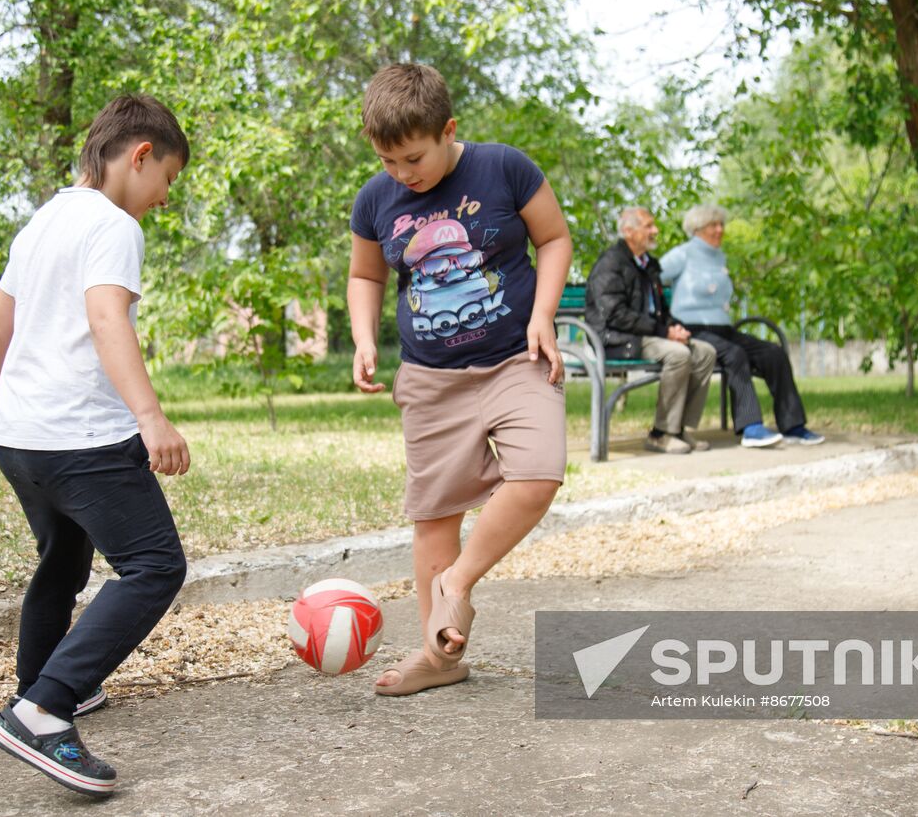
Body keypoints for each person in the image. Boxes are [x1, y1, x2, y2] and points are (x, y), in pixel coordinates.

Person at [0, 95, 192, 797]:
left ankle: (36, 682)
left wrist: (25, 404)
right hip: (82, 439)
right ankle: (43, 710)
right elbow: (107, 317)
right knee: (155, 564)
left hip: (18, 436)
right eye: (167, 178)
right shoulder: (113, 224)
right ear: (139, 155)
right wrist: (150, 416)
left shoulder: (44, 219)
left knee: (63, 559)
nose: (164, 197)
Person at [348, 63, 571, 696]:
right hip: (430, 377)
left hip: (515, 359)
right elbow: (367, 276)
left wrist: (544, 317)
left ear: (448, 130)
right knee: (436, 514)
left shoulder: (505, 168)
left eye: (413, 157)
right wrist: (365, 338)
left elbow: (553, 239)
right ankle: (440, 659)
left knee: (538, 471)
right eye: (388, 161)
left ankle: (458, 581)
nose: (401, 173)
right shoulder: (375, 200)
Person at [660, 203, 825, 447]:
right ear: (697, 229)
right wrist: (665, 323)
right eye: (713, 225)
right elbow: (651, 280)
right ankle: (752, 428)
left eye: (721, 224)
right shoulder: (682, 254)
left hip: (723, 329)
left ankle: (793, 426)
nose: (719, 230)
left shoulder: (720, 258)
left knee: (773, 353)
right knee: (735, 355)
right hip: (692, 329)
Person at [585, 206, 717, 455]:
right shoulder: (610, 264)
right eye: (648, 226)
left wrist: (673, 327)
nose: (655, 231)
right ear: (628, 231)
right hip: (616, 338)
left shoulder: (649, 265)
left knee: (705, 352)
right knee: (678, 355)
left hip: (647, 334)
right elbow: (615, 315)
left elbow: (659, 309)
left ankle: (679, 429)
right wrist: (664, 332)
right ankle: (661, 433)